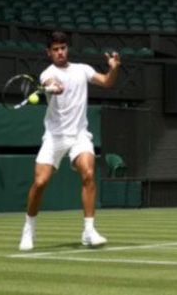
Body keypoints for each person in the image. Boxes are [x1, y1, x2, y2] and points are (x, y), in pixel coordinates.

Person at [19, 31, 121, 252]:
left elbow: (106, 82)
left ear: (67, 49)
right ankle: (29, 228)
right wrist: (54, 87)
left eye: (63, 48)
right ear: (49, 53)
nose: (60, 52)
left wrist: (114, 68)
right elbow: (51, 82)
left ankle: (89, 231)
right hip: (54, 137)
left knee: (89, 173)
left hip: (79, 135)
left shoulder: (82, 69)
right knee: (40, 183)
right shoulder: (48, 73)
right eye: (55, 49)